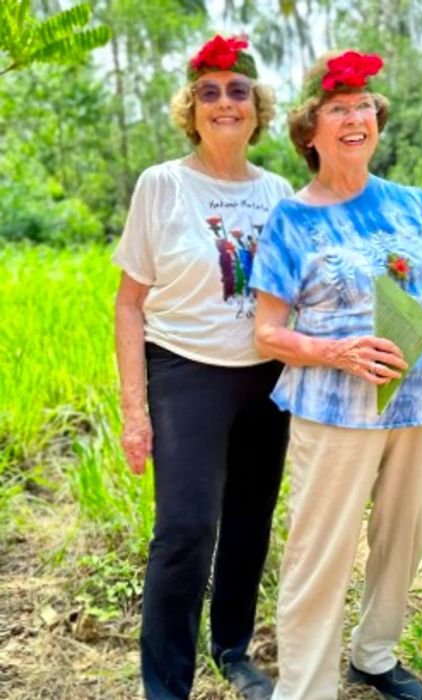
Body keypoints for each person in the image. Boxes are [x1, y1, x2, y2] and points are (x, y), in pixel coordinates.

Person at [250, 50, 422, 700]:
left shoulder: (416, 206)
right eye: (339, 108)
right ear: (311, 133)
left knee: (404, 539)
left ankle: (374, 654)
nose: (356, 116)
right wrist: (338, 352)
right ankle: (305, 689)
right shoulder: (292, 220)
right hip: (337, 407)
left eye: (365, 106)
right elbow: (266, 333)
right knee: (320, 553)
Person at [112, 34, 292, 700]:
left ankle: (233, 649)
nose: (224, 103)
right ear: (191, 108)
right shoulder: (162, 184)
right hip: (185, 371)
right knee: (186, 528)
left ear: (256, 107)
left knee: (251, 519)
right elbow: (129, 304)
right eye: (209, 93)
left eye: (237, 91)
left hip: (265, 375)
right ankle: (166, 685)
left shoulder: (278, 191)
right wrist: (135, 411)